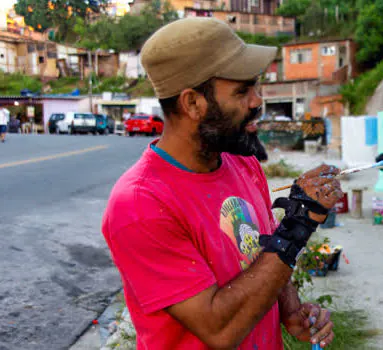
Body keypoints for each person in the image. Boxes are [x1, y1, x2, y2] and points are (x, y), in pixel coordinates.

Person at [102, 17, 343, 349]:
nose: (257, 101)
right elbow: (218, 331)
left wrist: (289, 308)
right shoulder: (140, 205)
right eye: (242, 91)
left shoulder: (241, 162)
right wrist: (298, 224)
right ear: (192, 103)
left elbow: (262, 252)